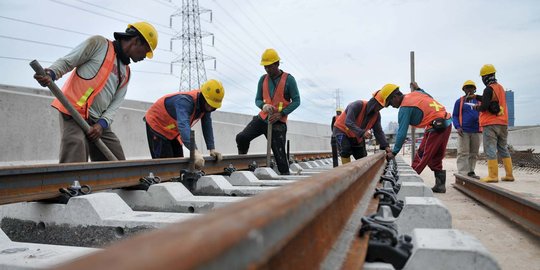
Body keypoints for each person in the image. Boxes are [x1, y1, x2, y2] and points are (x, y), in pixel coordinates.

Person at [33, 22, 158, 163]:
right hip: (73, 112)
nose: (145, 57)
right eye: (146, 50)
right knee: (76, 153)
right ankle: (71, 183)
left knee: (118, 162)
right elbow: (68, 61)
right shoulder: (99, 44)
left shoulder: (126, 72)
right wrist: (51, 73)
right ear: (136, 41)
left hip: (98, 121)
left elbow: (115, 105)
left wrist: (101, 125)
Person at [235, 49, 301, 175]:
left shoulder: (289, 80)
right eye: (265, 67)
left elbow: (297, 101)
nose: (267, 69)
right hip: (262, 118)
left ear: (277, 64)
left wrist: (281, 114)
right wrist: (263, 106)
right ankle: (242, 162)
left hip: (278, 122)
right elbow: (258, 100)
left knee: (280, 157)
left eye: (270, 66)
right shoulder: (263, 79)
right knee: (242, 137)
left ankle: (285, 176)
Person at [386, 82, 452, 193]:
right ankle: (440, 186)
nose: (392, 106)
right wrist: (418, 88)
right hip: (446, 122)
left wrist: (394, 152)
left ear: (395, 97)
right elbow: (427, 95)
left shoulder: (405, 107)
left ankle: (408, 183)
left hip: (435, 125)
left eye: (390, 102)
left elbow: (402, 132)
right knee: (435, 156)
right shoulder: (416, 93)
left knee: (422, 155)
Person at [144, 79, 225, 169]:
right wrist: (195, 151)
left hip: (172, 130)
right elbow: (183, 126)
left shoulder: (206, 106)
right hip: (157, 124)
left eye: (213, 107)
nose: (210, 108)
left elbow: (207, 125)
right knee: (166, 165)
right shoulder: (185, 101)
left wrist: (211, 148)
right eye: (209, 105)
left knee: (178, 162)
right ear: (203, 97)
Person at [473, 64, 514, 182]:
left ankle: (493, 176)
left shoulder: (488, 89)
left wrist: (477, 107)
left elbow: (485, 106)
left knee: (490, 148)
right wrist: (476, 96)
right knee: (503, 148)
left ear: (485, 77)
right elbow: (491, 99)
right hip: (503, 123)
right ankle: (509, 175)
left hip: (490, 123)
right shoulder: (500, 88)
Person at [332, 85, 393, 164]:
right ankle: (346, 170)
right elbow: (348, 122)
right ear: (373, 102)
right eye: (379, 106)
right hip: (342, 130)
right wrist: (362, 133)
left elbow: (378, 132)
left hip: (356, 135)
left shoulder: (376, 116)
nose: (379, 109)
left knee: (362, 156)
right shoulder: (357, 105)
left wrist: (386, 146)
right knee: (345, 150)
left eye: (381, 107)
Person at [452, 80, 482, 179]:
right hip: (463, 131)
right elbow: (455, 115)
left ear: (474, 89)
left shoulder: (479, 101)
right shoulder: (459, 101)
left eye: (471, 87)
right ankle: (463, 173)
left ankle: (471, 171)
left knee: (474, 153)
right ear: (464, 89)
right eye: (467, 87)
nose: (469, 89)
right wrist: (458, 127)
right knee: (463, 152)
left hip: (477, 131)